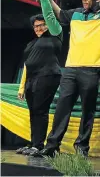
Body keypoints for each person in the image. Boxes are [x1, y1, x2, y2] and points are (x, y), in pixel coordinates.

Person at [32, 0, 100, 157]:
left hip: (93, 69)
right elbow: (60, 13)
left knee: (87, 110)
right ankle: (52, 145)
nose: (85, 0)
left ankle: (82, 148)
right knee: (62, 108)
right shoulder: (76, 13)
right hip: (70, 68)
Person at [15, 12, 62, 156]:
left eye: (41, 25)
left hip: (48, 76)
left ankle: (39, 145)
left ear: (48, 26)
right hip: (31, 79)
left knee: (40, 110)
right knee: (33, 111)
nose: (38, 28)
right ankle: (34, 143)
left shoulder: (55, 37)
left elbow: (52, 20)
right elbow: (27, 65)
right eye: (36, 26)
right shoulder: (32, 43)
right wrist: (22, 86)